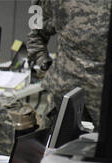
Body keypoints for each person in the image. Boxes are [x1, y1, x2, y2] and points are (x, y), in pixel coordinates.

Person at [27, 0, 111, 130]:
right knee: (53, 145)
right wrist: (44, 64)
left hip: (103, 94)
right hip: (64, 90)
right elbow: (35, 35)